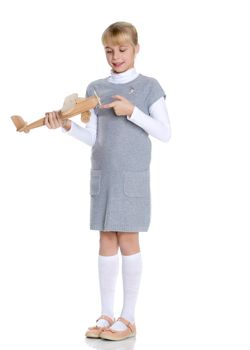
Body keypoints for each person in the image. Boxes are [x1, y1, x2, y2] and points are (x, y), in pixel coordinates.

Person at [44, 21, 171, 341]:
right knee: (105, 242)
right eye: (109, 51)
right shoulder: (95, 88)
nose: (116, 56)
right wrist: (66, 127)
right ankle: (106, 313)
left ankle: (128, 318)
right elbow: (95, 138)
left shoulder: (149, 87)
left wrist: (131, 111)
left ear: (136, 49)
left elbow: (165, 133)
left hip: (133, 177)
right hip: (103, 175)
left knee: (128, 240)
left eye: (122, 49)